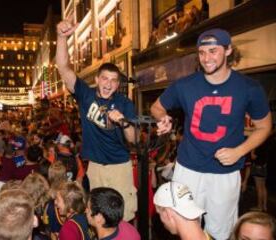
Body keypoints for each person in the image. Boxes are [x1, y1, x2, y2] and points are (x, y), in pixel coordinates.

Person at [151, 28, 272, 239]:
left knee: (222, 232)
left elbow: (265, 126)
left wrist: (239, 151)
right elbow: (156, 107)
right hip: (188, 168)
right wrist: (163, 118)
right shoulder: (185, 85)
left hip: (225, 172)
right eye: (202, 52)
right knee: (183, 227)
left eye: (213, 51)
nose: (206, 58)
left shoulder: (249, 87)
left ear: (228, 51)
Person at [56, 18, 137, 221]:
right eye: (105, 78)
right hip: (95, 167)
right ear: (97, 79)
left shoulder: (125, 103)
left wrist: (124, 122)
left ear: (118, 84)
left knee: (123, 215)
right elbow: (64, 69)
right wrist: (61, 38)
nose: (108, 84)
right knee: (99, 217)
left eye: (113, 80)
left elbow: (134, 139)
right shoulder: (86, 94)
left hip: (120, 166)